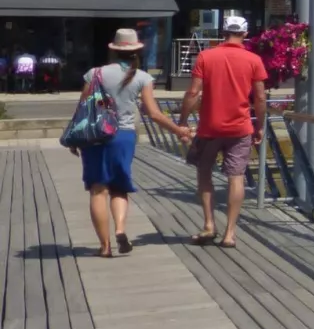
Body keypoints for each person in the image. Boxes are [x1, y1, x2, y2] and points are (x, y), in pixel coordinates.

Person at [74, 29, 191, 257]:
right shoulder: (143, 78)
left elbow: (82, 108)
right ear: (136, 51)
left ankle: (105, 247)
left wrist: (74, 138)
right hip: (124, 136)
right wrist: (179, 131)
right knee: (119, 188)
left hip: (95, 136)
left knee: (98, 190)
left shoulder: (95, 73)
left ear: (113, 50)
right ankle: (120, 229)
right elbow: (154, 114)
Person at [178, 15, 267, 249]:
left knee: (204, 173)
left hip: (209, 128)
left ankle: (209, 224)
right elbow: (260, 97)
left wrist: (183, 121)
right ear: (245, 34)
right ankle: (230, 233)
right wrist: (260, 126)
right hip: (240, 128)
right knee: (235, 177)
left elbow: (193, 93)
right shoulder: (254, 60)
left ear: (223, 32)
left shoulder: (206, 57)